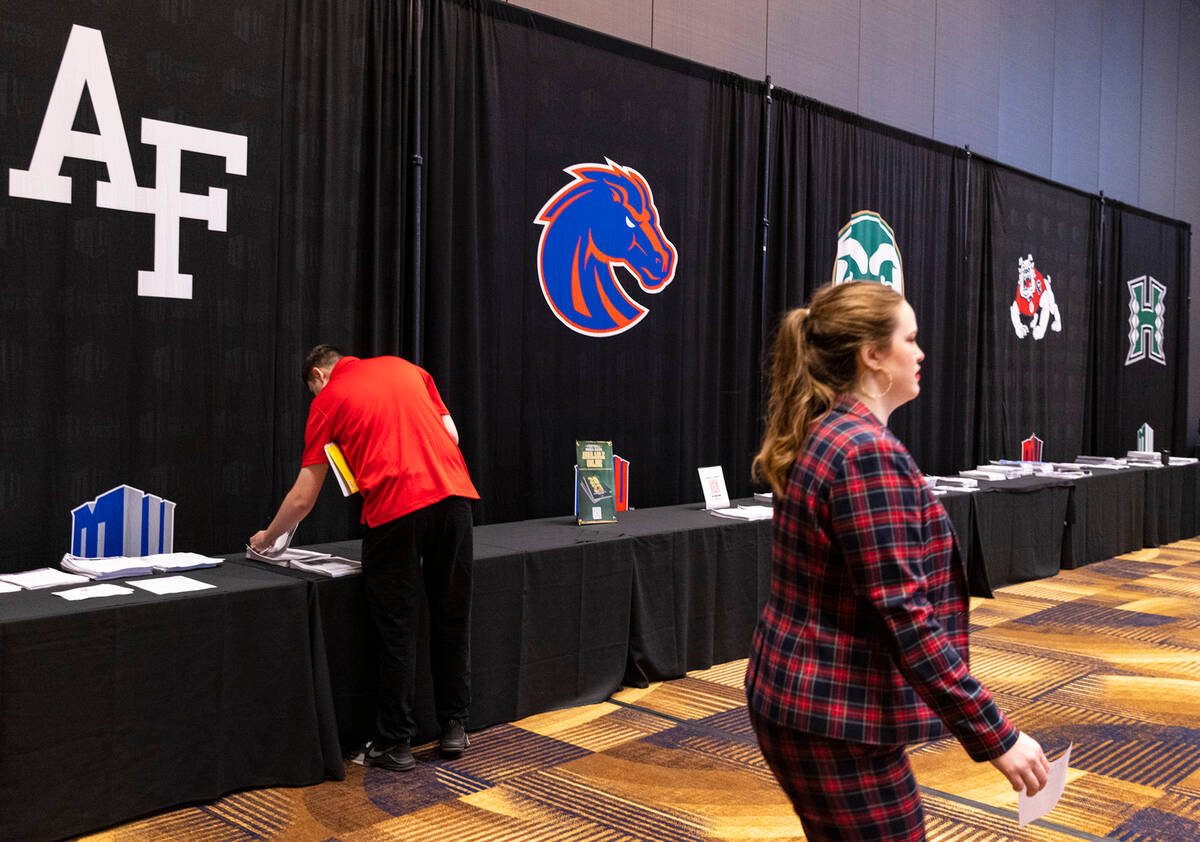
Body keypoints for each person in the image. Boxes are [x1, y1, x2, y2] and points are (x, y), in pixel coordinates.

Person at [745, 282, 1048, 840]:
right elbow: (905, 616)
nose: (921, 352)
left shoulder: (832, 432)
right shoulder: (866, 453)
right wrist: (996, 735)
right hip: (830, 712)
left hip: (806, 699)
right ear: (873, 356)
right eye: (909, 338)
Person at [250, 344, 479, 773]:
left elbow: (303, 497)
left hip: (396, 507)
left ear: (318, 375)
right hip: (455, 497)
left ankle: (395, 742)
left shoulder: (328, 400)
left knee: (397, 626)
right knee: (452, 614)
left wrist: (266, 538)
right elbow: (452, 436)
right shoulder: (408, 368)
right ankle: (454, 726)